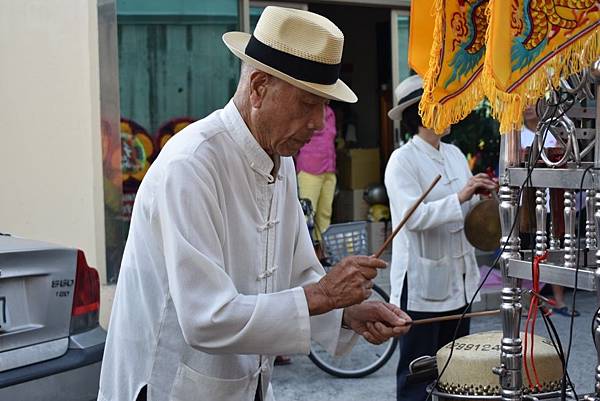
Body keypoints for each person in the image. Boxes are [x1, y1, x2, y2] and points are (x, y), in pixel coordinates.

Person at [98, 7, 411, 401]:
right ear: (259, 87)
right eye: (308, 104)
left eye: (324, 107)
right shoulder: (192, 164)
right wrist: (325, 296)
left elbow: (297, 277)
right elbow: (205, 318)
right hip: (169, 387)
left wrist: (346, 313)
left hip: (246, 384)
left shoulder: (280, 163)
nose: (319, 123)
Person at [384, 74, 497, 401]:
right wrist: (461, 197)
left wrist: (480, 197)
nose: (449, 112)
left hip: (457, 279)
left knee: (455, 369)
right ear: (421, 113)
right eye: (441, 106)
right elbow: (413, 218)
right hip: (421, 283)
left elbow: (463, 212)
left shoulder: (454, 153)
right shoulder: (402, 161)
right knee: (418, 371)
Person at [520, 105, 579, 317]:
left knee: (556, 250)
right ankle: (528, 300)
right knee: (525, 252)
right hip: (525, 205)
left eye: (531, 102)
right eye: (523, 103)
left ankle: (559, 301)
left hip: (552, 201)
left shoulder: (554, 133)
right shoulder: (516, 135)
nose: (527, 107)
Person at [296, 104, 337, 248]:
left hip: (329, 168)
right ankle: (305, 253)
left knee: (325, 213)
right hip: (310, 167)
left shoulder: (330, 112)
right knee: (307, 215)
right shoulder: (306, 109)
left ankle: (323, 251)